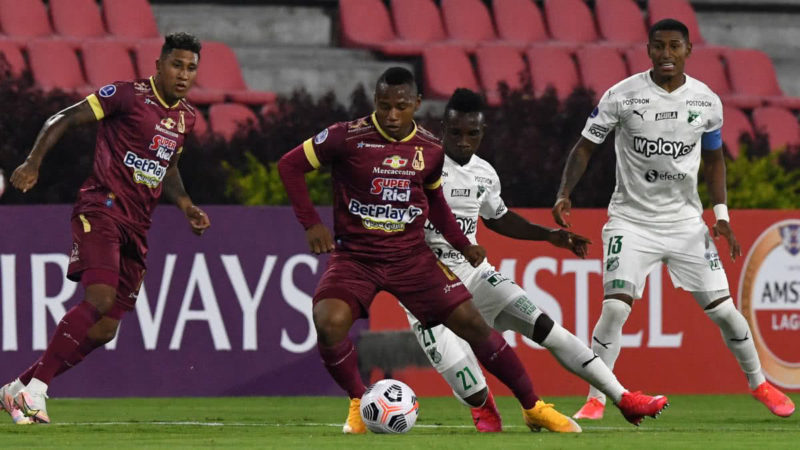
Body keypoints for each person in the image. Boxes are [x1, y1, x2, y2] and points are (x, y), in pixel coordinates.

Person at [278, 67, 582, 434]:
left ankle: (533, 406)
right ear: (375, 101)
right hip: (357, 257)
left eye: (401, 106)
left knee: (473, 324)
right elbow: (290, 165)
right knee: (328, 322)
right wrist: (311, 223)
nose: (392, 115)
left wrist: (462, 244)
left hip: (411, 258)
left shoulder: (429, 148)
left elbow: (435, 201)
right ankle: (359, 400)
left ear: (417, 104)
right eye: (384, 105)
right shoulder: (346, 136)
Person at [552, 19, 795, 420]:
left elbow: (714, 161)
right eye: (659, 46)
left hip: (685, 225)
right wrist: (564, 192)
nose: (666, 54)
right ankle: (596, 398)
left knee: (725, 312)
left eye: (674, 46)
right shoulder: (622, 96)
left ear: (688, 50)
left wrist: (721, 214)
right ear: (648, 49)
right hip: (631, 222)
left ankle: (760, 384)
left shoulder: (706, 101)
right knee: (615, 310)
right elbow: (584, 148)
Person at [406, 88, 669, 432]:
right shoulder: (421, 167)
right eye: (455, 133)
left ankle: (624, 398)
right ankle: (487, 408)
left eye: (472, 133)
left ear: (483, 131)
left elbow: (498, 218)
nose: (464, 141)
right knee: (472, 389)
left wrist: (549, 235)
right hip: (424, 290)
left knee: (547, 328)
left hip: (474, 276)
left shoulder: (485, 173)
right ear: (443, 129)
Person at [0, 32, 210, 425]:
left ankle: (19, 387)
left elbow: (169, 168)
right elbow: (63, 117)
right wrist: (32, 162)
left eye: (191, 68)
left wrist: (186, 205)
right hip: (102, 209)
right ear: (159, 65)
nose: (183, 74)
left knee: (105, 329)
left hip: (138, 224)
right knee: (98, 297)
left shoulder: (187, 117)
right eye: (177, 65)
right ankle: (36, 391)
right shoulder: (127, 95)